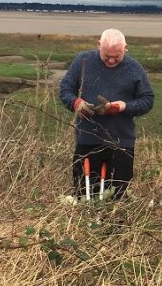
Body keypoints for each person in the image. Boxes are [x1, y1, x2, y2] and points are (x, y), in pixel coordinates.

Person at [60, 28, 154, 200]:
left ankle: (115, 226)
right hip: (87, 140)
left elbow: (147, 100)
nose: (111, 60)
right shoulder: (83, 61)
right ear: (98, 46)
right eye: (106, 55)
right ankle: (86, 226)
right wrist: (76, 104)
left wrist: (123, 107)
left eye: (116, 56)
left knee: (118, 197)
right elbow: (65, 90)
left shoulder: (134, 68)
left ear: (126, 48)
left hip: (121, 142)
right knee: (84, 195)